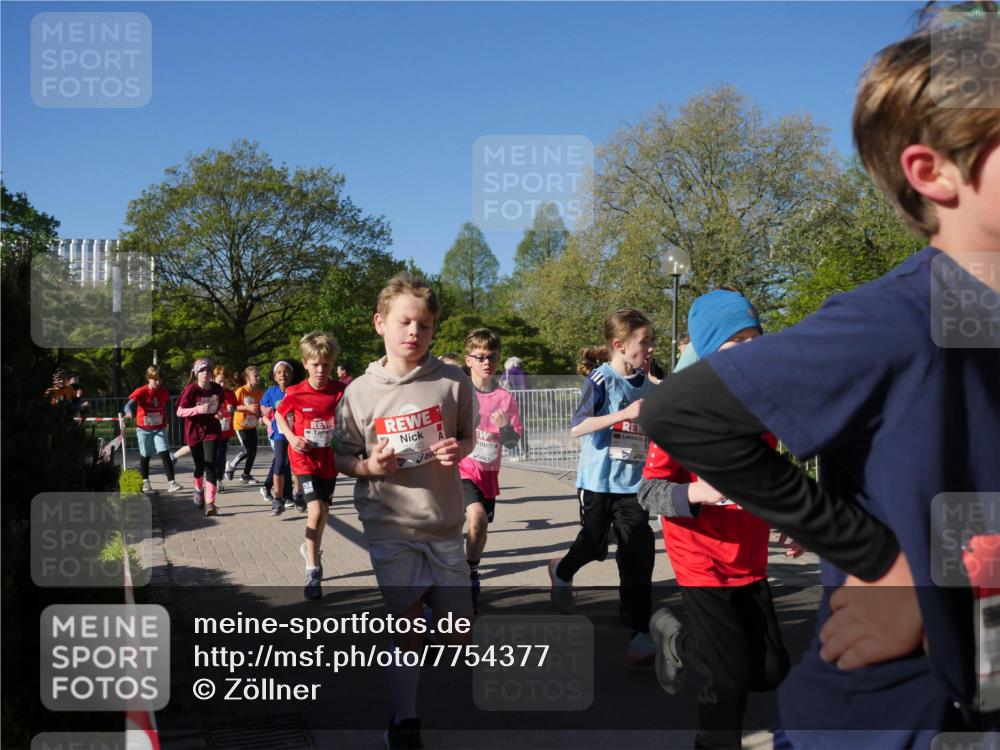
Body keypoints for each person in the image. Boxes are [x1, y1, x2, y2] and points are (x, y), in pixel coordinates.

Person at [639, 8, 1000, 747]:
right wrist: (889, 566)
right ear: (932, 172)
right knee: (740, 676)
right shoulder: (900, 318)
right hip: (889, 714)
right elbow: (681, 414)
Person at [639, 290, 799, 749]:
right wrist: (696, 491)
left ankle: (678, 641)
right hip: (700, 562)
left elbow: (768, 480)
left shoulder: (761, 411)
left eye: (755, 338)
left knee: (769, 671)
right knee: (728, 682)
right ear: (709, 349)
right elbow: (648, 492)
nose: (749, 348)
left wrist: (791, 520)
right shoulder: (678, 412)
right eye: (736, 340)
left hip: (749, 559)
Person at [333, 273, 477, 750]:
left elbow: (468, 435)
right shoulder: (358, 391)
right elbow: (339, 455)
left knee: (458, 637)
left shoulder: (452, 382)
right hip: (388, 524)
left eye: (426, 325)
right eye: (405, 322)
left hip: (443, 523)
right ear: (380, 324)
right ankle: (405, 719)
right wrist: (366, 465)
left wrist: (459, 450)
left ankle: (438, 619)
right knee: (408, 627)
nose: (415, 332)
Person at [549, 308, 657, 665]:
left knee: (637, 550)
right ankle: (562, 571)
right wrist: (623, 415)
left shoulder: (650, 381)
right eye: (645, 343)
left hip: (634, 486)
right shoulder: (600, 380)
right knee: (595, 546)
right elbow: (577, 427)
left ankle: (639, 631)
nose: (650, 349)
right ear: (620, 345)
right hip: (598, 482)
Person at [275, 331, 346, 600]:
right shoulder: (295, 392)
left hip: (328, 460)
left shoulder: (340, 391)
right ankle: (312, 570)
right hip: (303, 460)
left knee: (324, 510)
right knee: (315, 510)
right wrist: (292, 438)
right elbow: (280, 417)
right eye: (315, 364)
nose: (320, 370)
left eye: (326, 365)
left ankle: (309, 547)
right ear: (305, 363)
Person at [458, 328, 523, 614]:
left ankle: (471, 568)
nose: (487, 362)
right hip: (460, 469)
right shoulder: (459, 392)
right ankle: (460, 577)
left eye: (492, 356)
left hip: (488, 474)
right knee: (477, 516)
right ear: (468, 359)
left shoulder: (505, 398)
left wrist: (505, 426)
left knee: (480, 526)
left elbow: (513, 443)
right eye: (480, 356)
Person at [175, 358, 225, 516]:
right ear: (196, 373)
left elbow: (221, 407)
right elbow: (179, 412)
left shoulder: (217, 388)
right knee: (199, 467)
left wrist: (221, 413)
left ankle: (210, 503)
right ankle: (198, 490)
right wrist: (197, 409)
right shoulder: (191, 389)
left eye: (208, 370)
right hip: (194, 432)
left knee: (210, 465)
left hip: (211, 431)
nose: (205, 373)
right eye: (202, 370)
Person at [124, 364, 181, 494]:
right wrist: (128, 412)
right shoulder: (141, 391)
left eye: (160, 379)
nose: (157, 382)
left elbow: (165, 406)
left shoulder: (164, 392)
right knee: (145, 455)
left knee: (165, 452)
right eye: (154, 379)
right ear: (148, 378)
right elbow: (128, 405)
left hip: (159, 427)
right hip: (143, 428)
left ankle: (172, 482)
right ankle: (145, 482)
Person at [260, 361, 298, 514]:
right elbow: (262, 406)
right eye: (279, 372)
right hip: (279, 433)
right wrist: (266, 409)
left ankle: (299, 495)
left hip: (295, 433)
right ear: (275, 377)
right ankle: (277, 499)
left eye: (287, 372)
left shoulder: (296, 390)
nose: (283, 375)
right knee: (280, 463)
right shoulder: (271, 391)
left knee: (295, 465)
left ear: (292, 375)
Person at [226, 365, 264, 485]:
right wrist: (247, 407)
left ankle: (246, 475)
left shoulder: (259, 393)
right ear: (248, 378)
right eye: (255, 376)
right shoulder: (241, 391)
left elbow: (260, 409)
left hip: (252, 424)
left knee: (253, 451)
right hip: (241, 424)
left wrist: (262, 416)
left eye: (259, 375)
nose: (258, 377)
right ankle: (231, 466)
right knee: (247, 450)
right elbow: (233, 407)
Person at [211, 366, 238, 493]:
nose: (222, 384)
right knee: (213, 455)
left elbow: (235, 406)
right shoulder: (210, 392)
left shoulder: (230, 393)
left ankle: (219, 478)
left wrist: (232, 407)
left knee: (221, 455)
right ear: (213, 379)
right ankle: (212, 479)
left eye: (225, 381)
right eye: (220, 381)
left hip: (225, 429)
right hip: (211, 430)